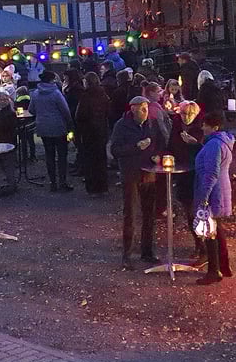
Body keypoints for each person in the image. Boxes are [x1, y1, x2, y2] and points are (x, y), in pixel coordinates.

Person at [109, 96, 158, 269]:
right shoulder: (121, 126)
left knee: (149, 214)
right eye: (143, 109)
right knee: (130, 213)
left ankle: (147, 251)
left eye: (147, 108)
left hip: (150, 174)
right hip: (131, 174)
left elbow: (158, 143)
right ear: (133, 109)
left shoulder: (150, 124)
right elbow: (115, 150)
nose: (146, 112)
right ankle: (127, 254)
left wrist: (156, 155)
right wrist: (136, 147)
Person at [193, 110, 234, 286]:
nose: (202, 127)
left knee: (209, 232)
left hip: (214, 192)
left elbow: (211, 173)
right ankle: (223, 266)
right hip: (222, 190)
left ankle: (213, 270)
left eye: (205, 125)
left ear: (213, 126)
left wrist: (203, 197)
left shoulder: (213, 145)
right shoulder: (224, 142)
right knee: (218, 229)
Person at [169, 101, 204, 258]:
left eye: (190, 114)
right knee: (188, 211)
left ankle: (202, 246)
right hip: (182, 174)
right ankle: (198, 243)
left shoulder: (201, 129)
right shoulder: (176, 127)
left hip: (196, 174)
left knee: (197, 212)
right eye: (184, 114)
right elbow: (170, 145)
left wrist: (195, 144)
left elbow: (206, 152)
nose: (187, 117)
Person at [30, 70, 74, 192]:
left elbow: (31, 110)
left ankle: (52, 182)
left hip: (43, 127)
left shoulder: (35, 93)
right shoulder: (56, 94)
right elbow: (65, 111)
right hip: (58, 127)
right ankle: (62, 182)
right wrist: (70, 124)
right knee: (61, 155)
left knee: (49, 155)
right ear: (52, 80)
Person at [75, 71, 111, 195]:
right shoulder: (103, 94)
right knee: (101, 159)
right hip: (101, 130)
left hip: (89, 131)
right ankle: (103, 186)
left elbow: (80, 114)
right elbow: (108, 112)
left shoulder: (86, 96)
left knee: (90, 160)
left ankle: (93, 187)